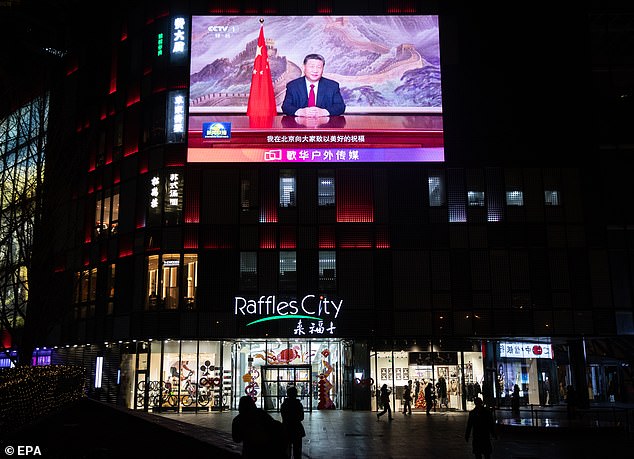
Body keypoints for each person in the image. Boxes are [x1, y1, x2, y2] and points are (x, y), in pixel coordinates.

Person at [281, 54, 346, 117]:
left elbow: (340, 106)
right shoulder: (292, 86)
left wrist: (325, 112)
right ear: (304, 67)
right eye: (312, 66)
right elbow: (286, 106)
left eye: (319, 67)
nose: (315, 70)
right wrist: (300, 112)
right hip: (299, 125)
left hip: (325, 125)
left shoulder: (332, 86)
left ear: (323, 69)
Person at [281, 386, 306, 459]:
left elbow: (284, 416)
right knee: (297, 451)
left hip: (286, 429)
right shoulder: (298, 405)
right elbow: (301, 417)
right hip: (297, 429)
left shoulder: (284, 405)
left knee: (286, 450)